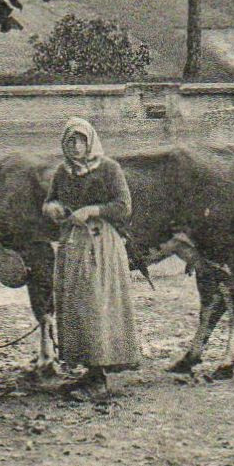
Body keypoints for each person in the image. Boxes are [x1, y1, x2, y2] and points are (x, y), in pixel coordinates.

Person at [42, 117, 142, 397]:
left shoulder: (109, 169)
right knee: (75, 304)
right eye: (70, 141)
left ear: (90, 141)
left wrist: (92, 210)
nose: (76, 147)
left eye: (81, 140)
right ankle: (87, 369)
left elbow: (123, 207)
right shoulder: (64, 172)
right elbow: (51, 198)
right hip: (72, 244)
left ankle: (99, 378)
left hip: (101, 244)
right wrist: (52, 207)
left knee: (96, 303)